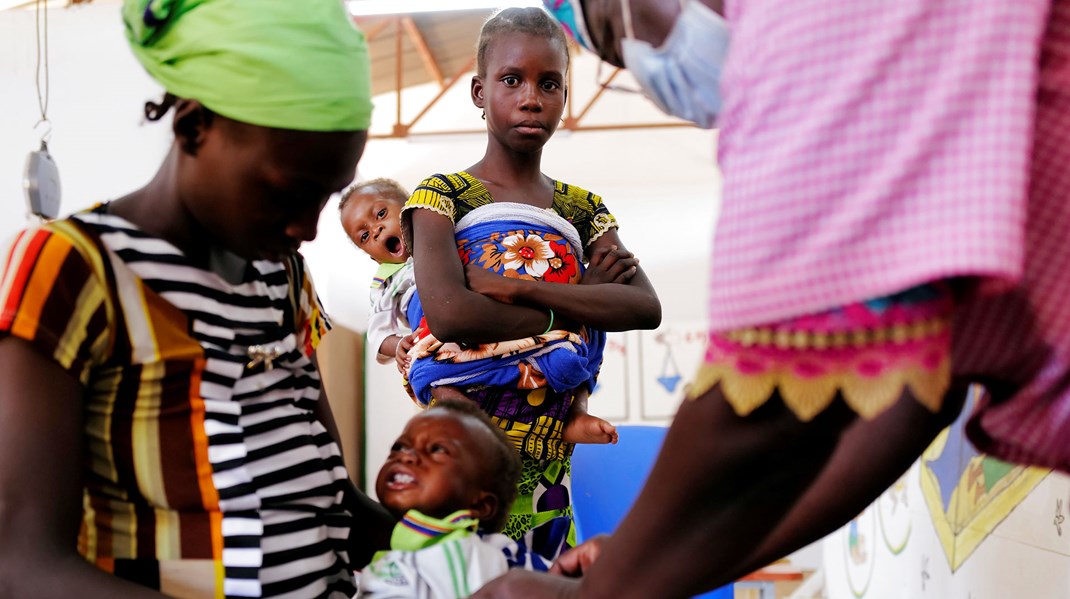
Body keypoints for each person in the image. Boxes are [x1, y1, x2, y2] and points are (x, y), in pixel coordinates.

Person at [475, 0, 1070, 597]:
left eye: (616, 30)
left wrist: (614, 588)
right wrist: (647, 565)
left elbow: (768, 393)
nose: (641, 62)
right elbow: (910, 395)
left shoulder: (815, 28)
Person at [0, 1, 397, 597]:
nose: (308, 228)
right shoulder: (76, 267)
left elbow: (329, 497)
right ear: (192, 128)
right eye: (290, 192)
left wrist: (468, 559)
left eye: (326, 196)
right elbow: (21, 559)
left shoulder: (280, 276)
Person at [400, 6, 662, 562]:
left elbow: (642, 306)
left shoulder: (583, 209)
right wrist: (583, 302)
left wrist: (521, 290)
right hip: (461, 443)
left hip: (548, 455)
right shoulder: (442, 196)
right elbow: (450, 316)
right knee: (455, 573)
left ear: (565, 97)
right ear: (478, 91)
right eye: (511, 80)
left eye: (550, 84)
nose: (531, 98)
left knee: (543, 572)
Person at [339, 180, 618, 446]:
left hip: (498, 316)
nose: (375, 230)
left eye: (381, 214)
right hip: (443, 337)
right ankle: (464, 413)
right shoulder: (387, 282)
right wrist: (398, 344)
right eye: (364, 235)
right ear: (373, 257)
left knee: (589, 336)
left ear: (413, 209)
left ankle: (577, 411)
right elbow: (377, 332)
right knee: (423, 370)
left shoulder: (452, 235)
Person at [359, 398, 556, 597]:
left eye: (437, 449)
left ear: (480, 504)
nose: (407, 456)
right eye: (399, 447)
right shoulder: (409, 548)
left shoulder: (460, 554)